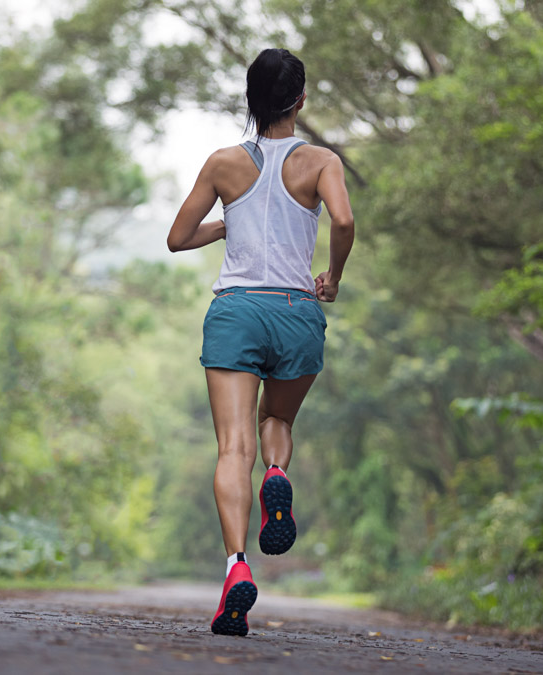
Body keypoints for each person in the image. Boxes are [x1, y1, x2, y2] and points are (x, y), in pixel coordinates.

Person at [166, 47, 356, 637]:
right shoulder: (321, 161)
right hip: (297, 310)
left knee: (231, 449)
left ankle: (236, 568)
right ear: (300, 100)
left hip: (237, 313)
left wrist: (229, 218)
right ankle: (279, 473)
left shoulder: (224, 163)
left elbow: (177, 238)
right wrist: (334, 277)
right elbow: (345, 223)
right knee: (279, 423)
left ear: (250, 100)